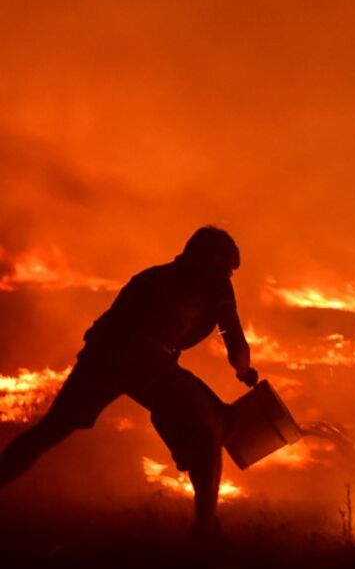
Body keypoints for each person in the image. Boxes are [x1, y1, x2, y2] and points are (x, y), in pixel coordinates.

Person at [0, 226, 258, 536]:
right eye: (228, 269)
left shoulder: (151, 277)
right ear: (215, 261)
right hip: (145, 361)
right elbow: (234, 340)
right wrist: (244, 372)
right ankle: (206, 530)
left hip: (105, 354)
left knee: (51, 429)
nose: (228, 277)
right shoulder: (214, 285)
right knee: (209, 430)